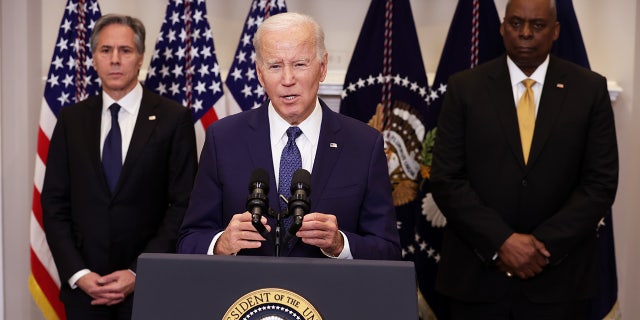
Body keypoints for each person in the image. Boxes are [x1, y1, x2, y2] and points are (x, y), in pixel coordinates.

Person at [430, 0, 618, 318]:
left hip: (560, 281)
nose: (526, 33)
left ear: (555, 31)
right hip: (476, 280)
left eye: (538, 25)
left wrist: (541, 246)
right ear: (503, 28)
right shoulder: (465, 88)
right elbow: (446, 178)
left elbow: (600, 183)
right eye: (516, 23)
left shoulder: (589, 89)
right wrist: (501, 241)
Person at [177, 12, 400, 260]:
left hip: (329, 295)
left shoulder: (364, 144)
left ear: (322, 68)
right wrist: (222, 243)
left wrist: (340, 244)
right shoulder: (224, 138)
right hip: (246, 295)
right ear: (260, 74)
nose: (287, 79)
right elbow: (190, 240)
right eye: (275, 66)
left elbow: (388, 251)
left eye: (299, 64)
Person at [41, 14, 198, 319]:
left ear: (140, 58)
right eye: (105, 50)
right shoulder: (71, 120)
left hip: (150, 290)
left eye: (125, 51)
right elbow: (54, 203)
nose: (115, 60)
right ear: (94, 59)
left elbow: (183, 204)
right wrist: (78, 273)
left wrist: (139, 271)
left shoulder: (173, 119)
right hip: (85, 293)